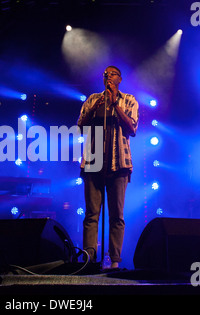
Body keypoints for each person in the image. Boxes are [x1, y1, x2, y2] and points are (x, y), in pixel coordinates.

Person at [77, 66, 139, 269]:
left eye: (112, 74)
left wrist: (115, 105)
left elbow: (132, 129)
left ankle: (114, 260)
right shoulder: (93, 99)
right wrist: (96, 109)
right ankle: (89, 258)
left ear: (120, 78)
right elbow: (80, 127)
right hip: (93, 161)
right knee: (91, 214)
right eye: (105, 74)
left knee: (116, 215)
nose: (107, 76)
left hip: (119, 163)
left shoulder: (129, 99)